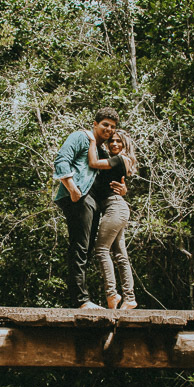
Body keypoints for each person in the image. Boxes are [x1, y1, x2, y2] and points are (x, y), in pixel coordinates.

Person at [53, 107, 126, 308]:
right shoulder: (80, 137)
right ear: (95, 124)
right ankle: (81, 301)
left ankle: (84, 299)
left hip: (94, 203)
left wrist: (122, 189)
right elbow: (61, 160)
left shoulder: (102, 152)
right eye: (105, 125)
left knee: (85, 250)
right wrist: (72, 189)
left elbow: (109, 179)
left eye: (112, 127)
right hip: (79, 197)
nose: (109, 129)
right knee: (79, 247)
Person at [87, 128, 138, 309]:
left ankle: (112, 295)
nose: (114, 144)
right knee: (120, 255)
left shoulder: (120, 159)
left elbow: (92, 162)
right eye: (112, 141)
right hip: (116, 207)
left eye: (119, 141)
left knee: (101, 250)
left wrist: (92, 140)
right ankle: (130, 298)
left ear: (125, 144)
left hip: (115, 207)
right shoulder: (116, 161)